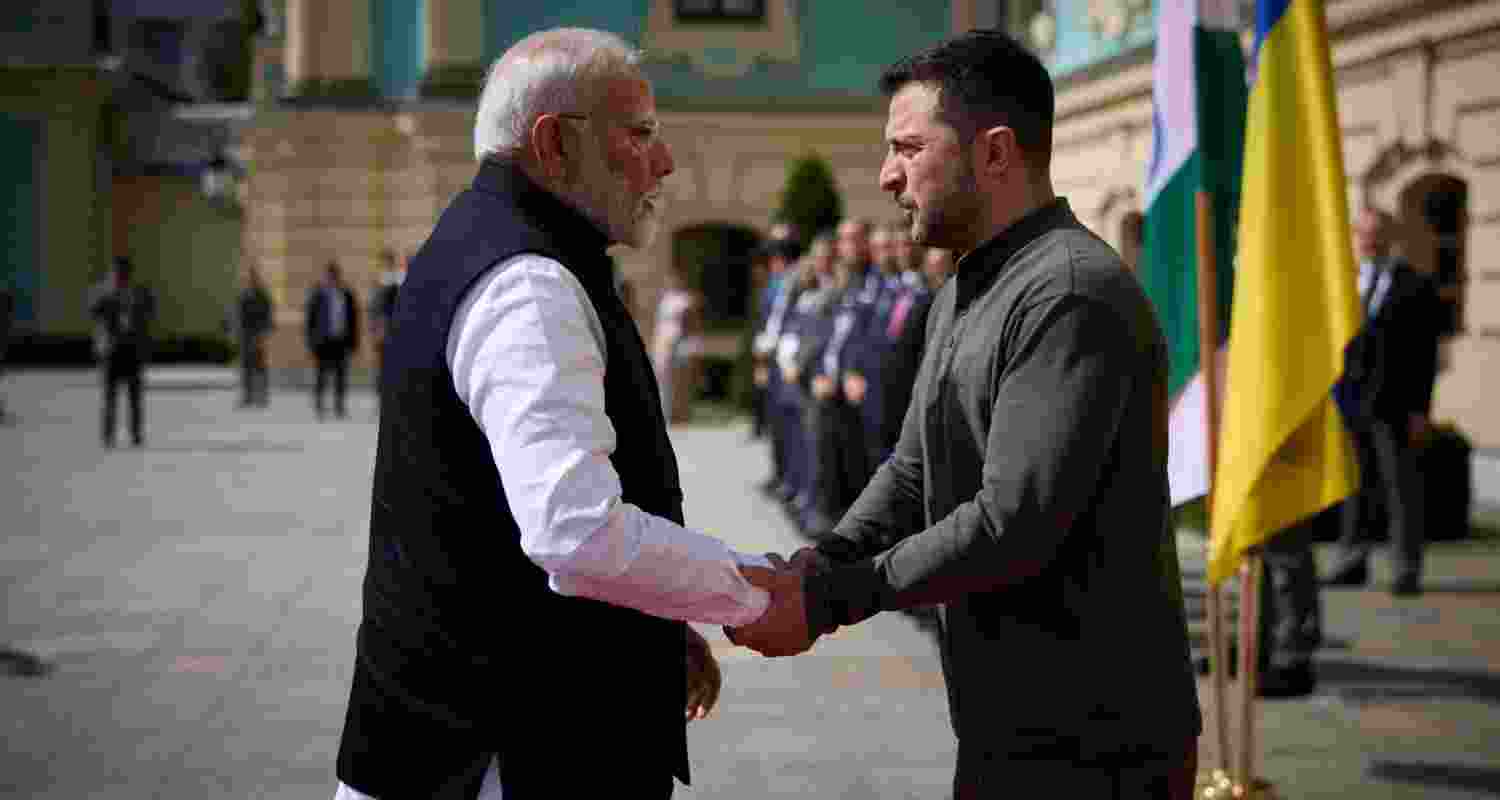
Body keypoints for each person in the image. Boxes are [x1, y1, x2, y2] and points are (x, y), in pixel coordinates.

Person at [725, 31, 1201, 798]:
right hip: (1007, 722)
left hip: (1097, 745)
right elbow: (914, 468)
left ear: (996, 152)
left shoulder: (1068, 293)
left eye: (909, 147)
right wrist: (823, 558)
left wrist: (825, 601)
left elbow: (1013, 522)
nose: (887, 175)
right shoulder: (967, 287)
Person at [332, 28, 776, 800]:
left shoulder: (491, 239)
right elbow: (574, 530)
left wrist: (657, 626)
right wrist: (752, 593)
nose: (663, 161)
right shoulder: (529, 282)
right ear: (555, 144)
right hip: (498, 754)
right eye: (638, 135)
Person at [1325, 205, 1442, 596]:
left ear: (1389, 236)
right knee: (1353, 488)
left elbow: (1425, 355)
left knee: (1400, 490)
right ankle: (1350, 561)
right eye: (1363, 233)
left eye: (1376, 233)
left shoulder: (1415, 286)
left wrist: (1420, 410)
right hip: (1351, 403)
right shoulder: (1344, 281)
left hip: (1395, 405)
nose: (1369, 240)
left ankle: (1405, 568)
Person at [89, 257, 156, 448]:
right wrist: (106, 292)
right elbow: (93, 313)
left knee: (135, 397)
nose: (118, 277)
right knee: (110, 397)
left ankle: (136, 434)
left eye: (122, 273)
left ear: (128, 275)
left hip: (133, 351)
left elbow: (149, 313)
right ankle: (108, 436)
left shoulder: (140, 293)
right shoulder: (104, 294)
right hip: (111, 352)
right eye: (115, 273)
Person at [305, 261, 359, 419]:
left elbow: (354, 319)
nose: (332, 278)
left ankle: (339, 406)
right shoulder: (318, 294)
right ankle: (320, 404)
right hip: (323, 340)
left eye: (335, 275)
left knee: (341, 375)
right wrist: (310, 341)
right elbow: (310, 319)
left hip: (340, 340)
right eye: (330, 275)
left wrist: (354, 342)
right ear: (326, 276)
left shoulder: (346, 294)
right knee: (321, 374)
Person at [369, 249, 405, 413]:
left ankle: (391, 399)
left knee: (393, 367)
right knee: (382, 368)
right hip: (383, 331)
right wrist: (375, 328)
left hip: (394, 330)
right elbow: (374, 310)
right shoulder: (380, 282)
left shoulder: (398, 280)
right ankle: (382, 399)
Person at [234, 266, 274, 408]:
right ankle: (247, 397)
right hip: (246, 336)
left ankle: (262, 396)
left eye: (253, 278)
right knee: (246, 368)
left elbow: (269, 315)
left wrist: (264, 334)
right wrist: (238, 331)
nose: (251, 280)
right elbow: (238, 315)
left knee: (260, 367)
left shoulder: (263, 295)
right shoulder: (243, 295)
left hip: (258, 336)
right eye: (249, 278)